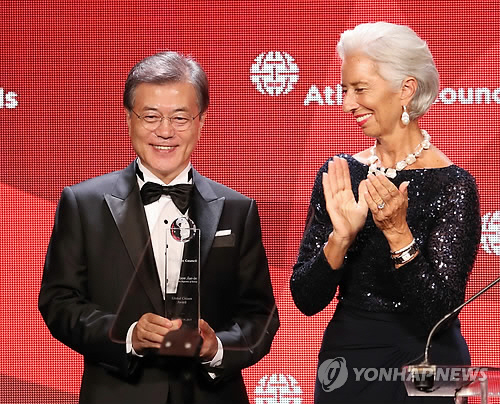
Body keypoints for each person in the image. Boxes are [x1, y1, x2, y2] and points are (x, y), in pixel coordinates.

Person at [39, 51, 279, 404]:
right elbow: (59, 302)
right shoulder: (82, 203)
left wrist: (217, 348)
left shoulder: (237, 210)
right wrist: (129, 334)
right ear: (128, 119)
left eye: (180, 117)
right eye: (151, 116)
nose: (165, 131)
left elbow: (261, 315)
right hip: (117, 393)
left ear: (201, 122)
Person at [290, 22, 481, 404]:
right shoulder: (341, 175)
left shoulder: (454, 185)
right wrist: (340, 238)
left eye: (360, 89)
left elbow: (439, 310)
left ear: (406, 90)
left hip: (431, 361)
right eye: (345, 90)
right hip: (349, 359)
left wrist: (398, 233)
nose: (347, 103)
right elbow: (306, 299)